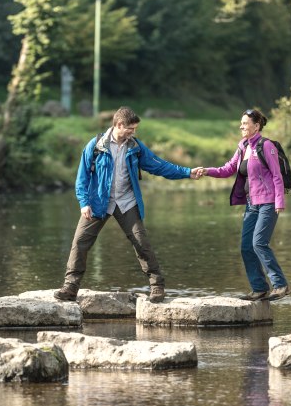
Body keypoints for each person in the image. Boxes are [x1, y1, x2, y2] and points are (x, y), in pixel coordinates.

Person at [54, 106, 203, 303]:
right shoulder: (96, 145)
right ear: (119, 125)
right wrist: (84, 203)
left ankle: (157, 286)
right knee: (79, 243)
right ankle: (70, 288)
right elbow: (82, 178)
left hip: (126, 202)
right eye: (131, 129)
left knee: (141, 243)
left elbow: (158, 165)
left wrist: (187, 172)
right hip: (98, 203)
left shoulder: (135, 147)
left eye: (135, 129)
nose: (134, 132)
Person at [200, 108, 290, 301]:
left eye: (245, 123)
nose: (241, 126)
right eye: (241, 123)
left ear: (256, 126)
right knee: (246, 247)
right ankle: (259, 288)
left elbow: (276, 175)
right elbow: (228, 169)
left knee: (259, 243)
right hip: (251, 203)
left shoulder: (266, 146)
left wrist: (279, 201)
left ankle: (280, 285)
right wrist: (207, 170)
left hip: (268, 202)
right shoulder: (242, 146)